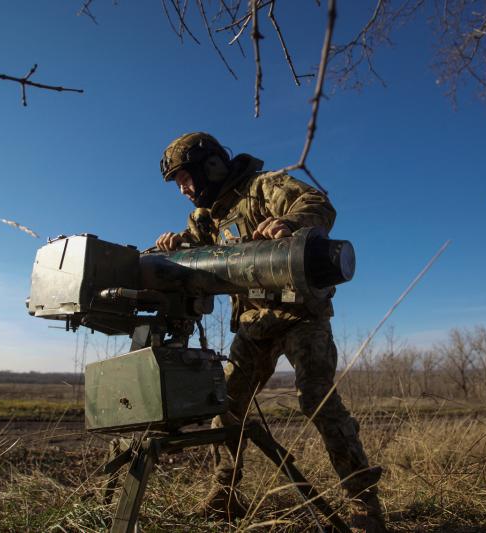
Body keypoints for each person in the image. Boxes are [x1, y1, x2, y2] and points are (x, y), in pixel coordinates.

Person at [155, 132, 387, 533]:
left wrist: (289, 222)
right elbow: (195, 253)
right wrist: (175, 245)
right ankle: (224, 495)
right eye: (177, 185)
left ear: (210, 165)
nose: (184, 191)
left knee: (316, 398)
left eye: (185, 179)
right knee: (224, 407)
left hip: (301, 316)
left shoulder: (264, 186)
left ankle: (363, 504)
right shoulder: (205, 218)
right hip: (253, 325)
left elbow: (318, 204)